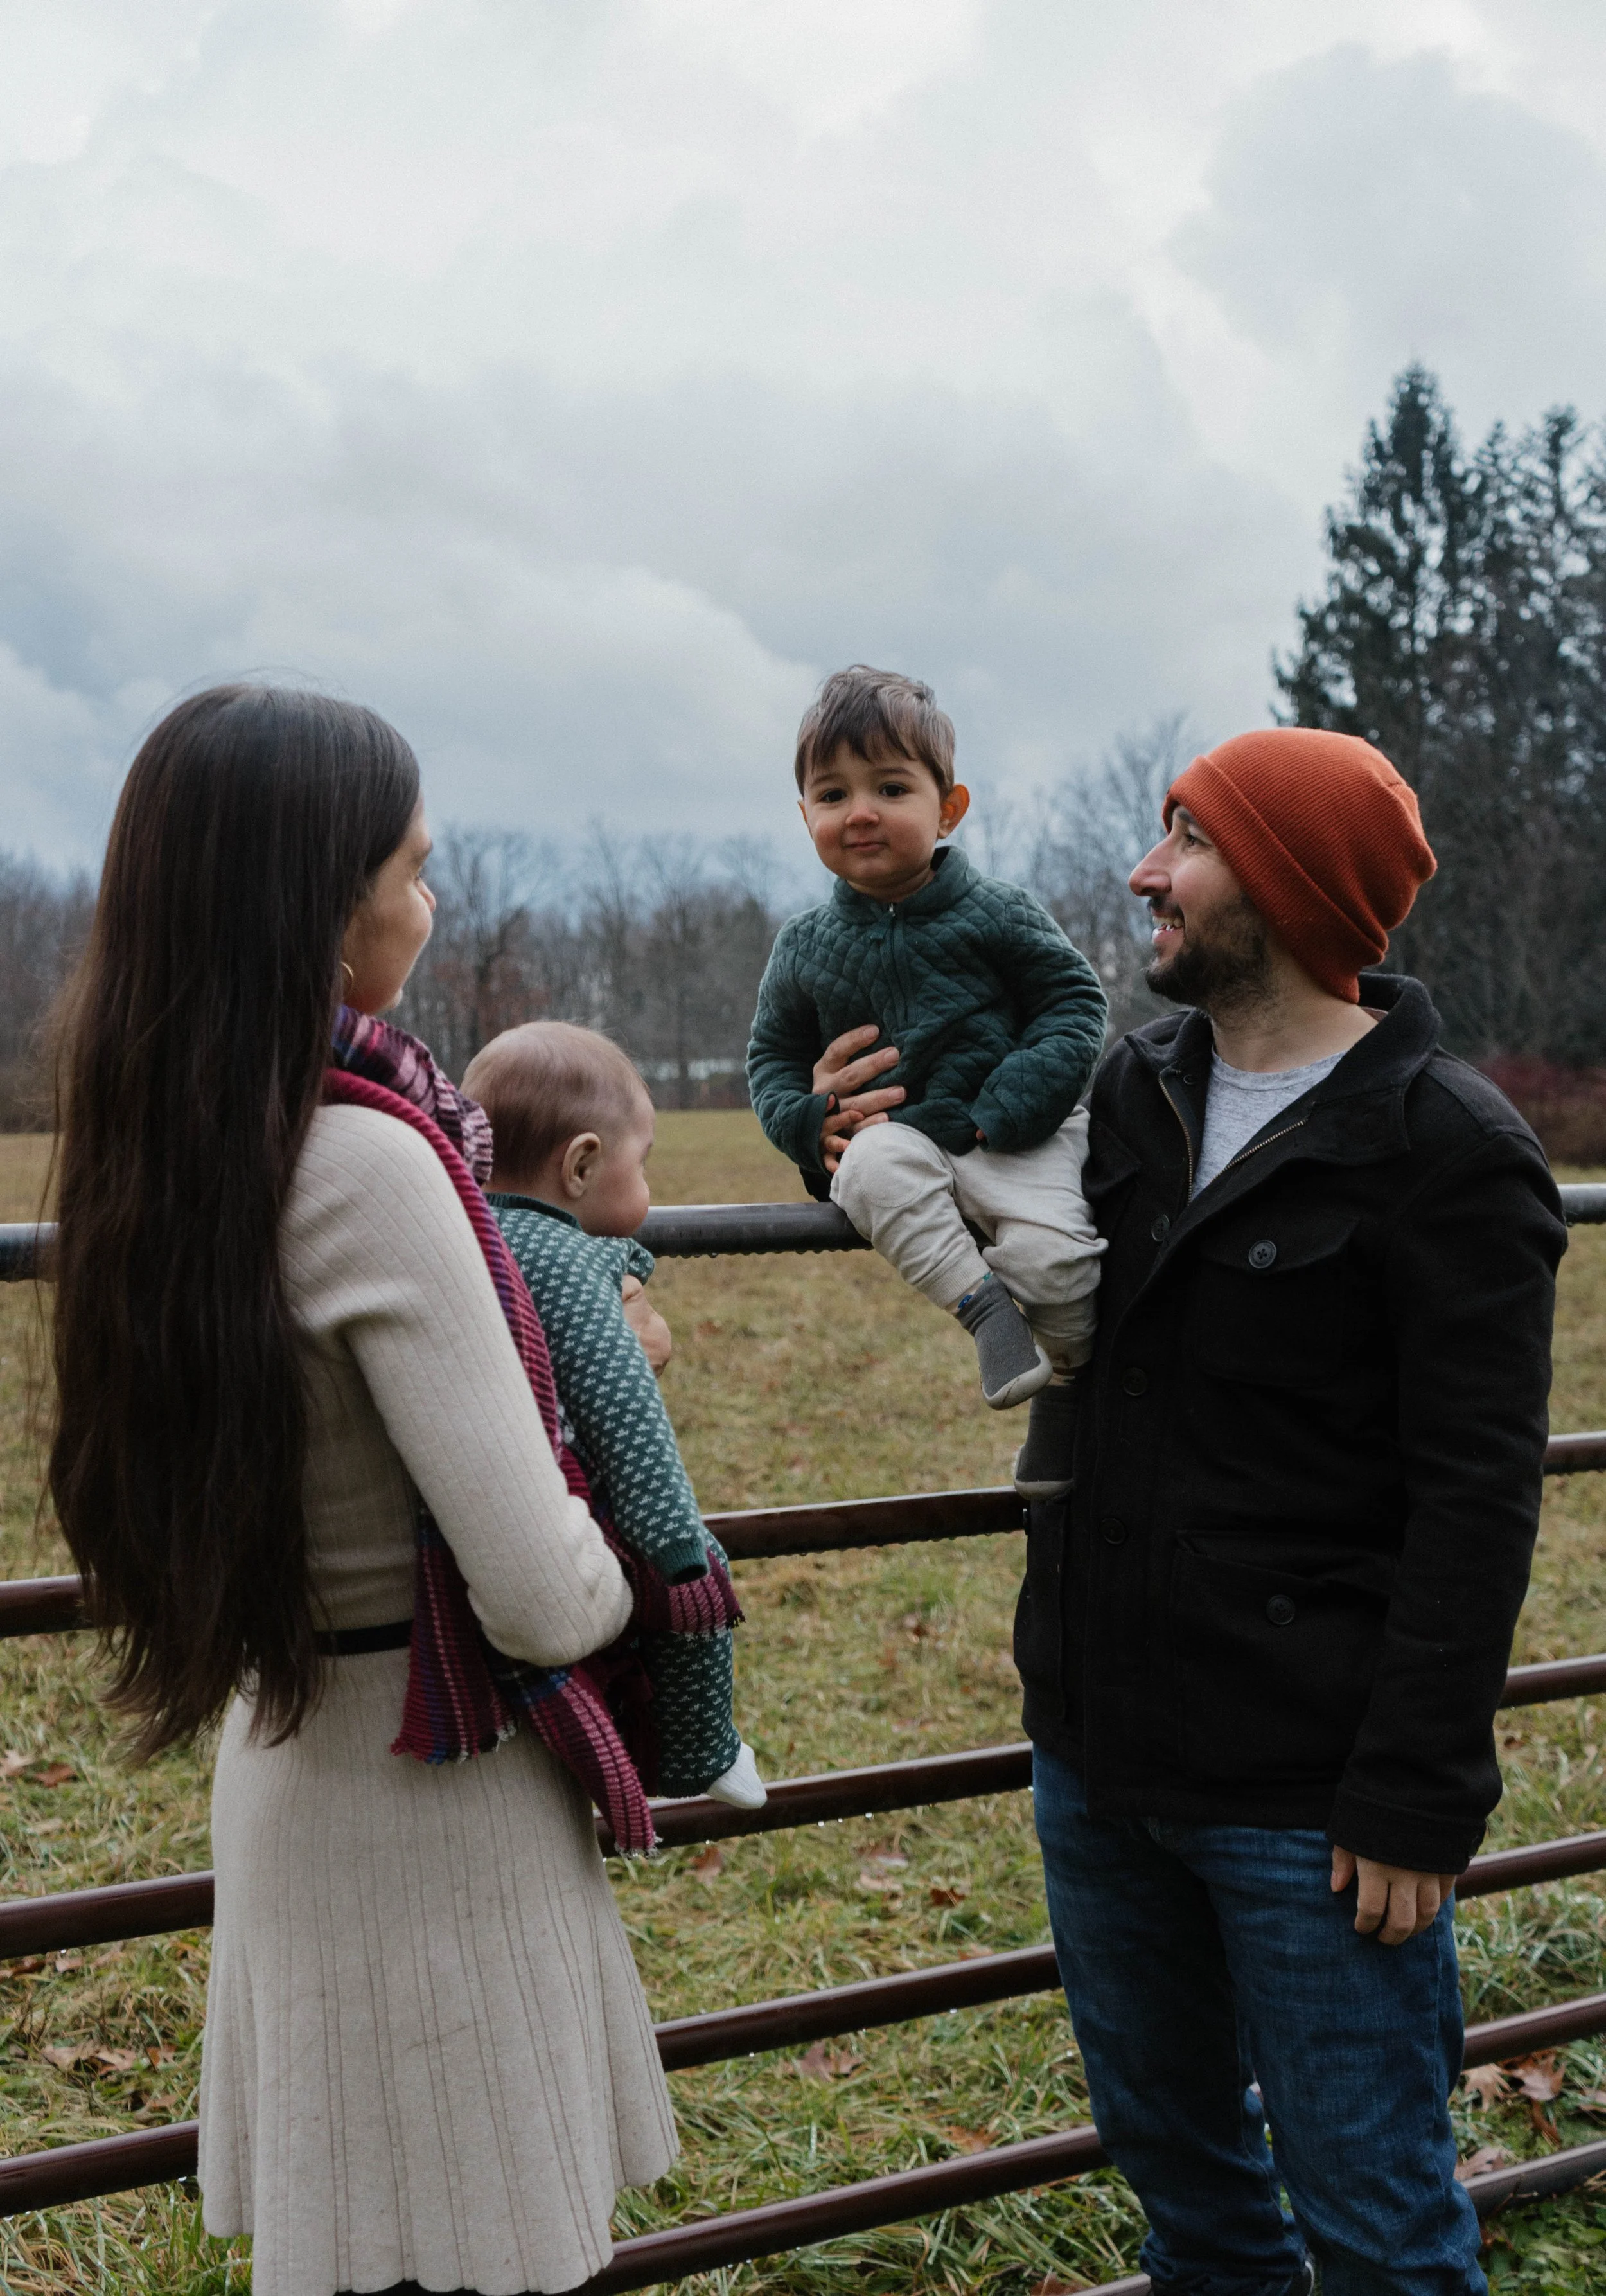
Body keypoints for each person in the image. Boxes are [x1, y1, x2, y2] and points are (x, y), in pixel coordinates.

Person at [49, 686, 676, 2296]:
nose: (431, 898)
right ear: (323, 912)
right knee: (484, 2258)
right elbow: (539, 1586)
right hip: (439, 1805)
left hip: (288, 1767)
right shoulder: (372, 1163)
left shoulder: (159, 1153)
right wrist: (625, 1546)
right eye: (411, 864)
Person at [1015, 727, 1567, 2296]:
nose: (1145, 872)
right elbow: (1012, 1271)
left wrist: (1413, 1792)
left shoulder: (1447, 1151)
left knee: (1379, 2231)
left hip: (1310, 1806)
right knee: (1190, 2197)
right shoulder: (1134, 1088)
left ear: (1290, 880)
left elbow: (1480, 1499)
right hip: (1100, 1758)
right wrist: (842, 1136)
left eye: (1186, 838)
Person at [746, 664, 1109, 1493]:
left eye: (890, 787)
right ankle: (984, 1313)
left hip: (1015, 1137)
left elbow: (1074, 1003)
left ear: (948, 809)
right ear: (805, 816)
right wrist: (810, 1124)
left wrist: (1003, 1109)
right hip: (899, 1142)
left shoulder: (1000, 913)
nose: (860, 811)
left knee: (1059, 1269)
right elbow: (769, 1059)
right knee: (869, 1172)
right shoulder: (802, 947)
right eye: (831, 795)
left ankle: (1076, 1389)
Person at [462, 1018, 766, 1808]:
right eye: (646, 1162)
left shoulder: (464, 1231)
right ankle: (699, 1753)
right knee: (697, 1596)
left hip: (476, 1499)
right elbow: (623, 1409)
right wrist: (674, 1544)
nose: (650, 1181)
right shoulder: (566, 1259)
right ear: (582, 1164)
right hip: (567, 1497)